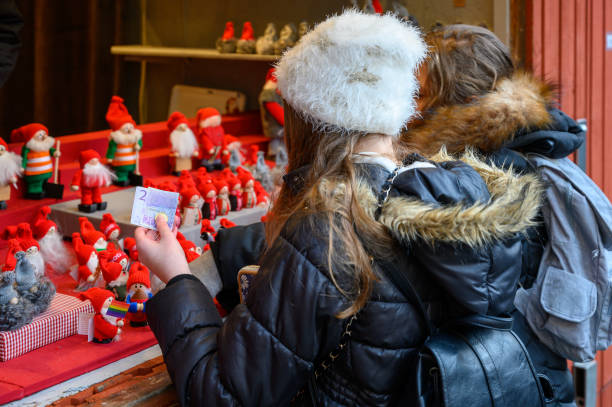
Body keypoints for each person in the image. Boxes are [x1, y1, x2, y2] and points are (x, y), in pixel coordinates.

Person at [135, 11, 541, 406]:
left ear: (306, 120)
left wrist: (177, 280)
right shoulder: (440, 194)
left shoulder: (322, 229)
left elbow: (223, 394)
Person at [401, 24, 583, 407]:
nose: (412, 103)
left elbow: (474, 296)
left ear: (456, 99)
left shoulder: (489, 170)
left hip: (511, 383)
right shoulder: (524, 143)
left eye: (421, 91)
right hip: (527, 372)